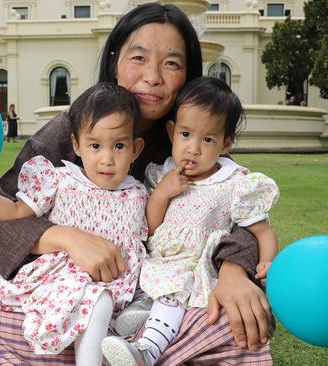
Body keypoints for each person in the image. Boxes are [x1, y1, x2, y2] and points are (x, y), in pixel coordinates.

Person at [0, 4, 273, 365]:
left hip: (151, 302)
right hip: (69, 295)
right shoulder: (71, 130)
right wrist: (67, 237)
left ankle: (123, 354)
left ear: (188, 74)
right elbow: (0, 217)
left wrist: (235, 272)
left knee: (237, 319)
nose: (153, 76)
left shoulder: (193, 143)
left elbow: (239, 212)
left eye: (172, 63)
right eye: (138, 57)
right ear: (114, 62)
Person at [0, 83, 146, 364]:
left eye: (119, 146)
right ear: (77, 145)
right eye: (95, 146)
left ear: (136, 149)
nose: (107, 159)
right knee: (97, 303)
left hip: (120, 287)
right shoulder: (60, 180)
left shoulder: (139, 193)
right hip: (64, 282)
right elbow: (15, 212)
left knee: (134, 319)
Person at [101, 77, 279, 366]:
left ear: (226, 143)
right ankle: (122, 333)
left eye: (207, 139)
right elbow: (150, 227)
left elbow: (262, 232)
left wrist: (268, 262)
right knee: (130, 292)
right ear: (172, 132)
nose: (193, 148)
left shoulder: (234, 183)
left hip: (194, 266)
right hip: (157, 259)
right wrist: (161, 194)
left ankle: (148, 350)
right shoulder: (162, 175)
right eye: (185, 134)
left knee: (173, 295)